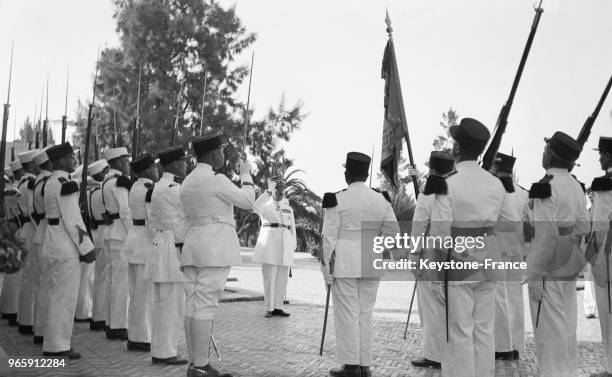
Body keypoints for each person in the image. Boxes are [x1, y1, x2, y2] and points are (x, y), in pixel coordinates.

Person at [432, 118, 520, 377]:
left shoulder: (448, 181)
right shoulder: (495, 183)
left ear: (457, 148)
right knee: (484, 329)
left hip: (458, 258)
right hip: (488, 255)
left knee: (459, 330)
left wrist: (437, 274)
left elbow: (439, 230)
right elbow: (511, 224)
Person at [180, 133, 255, 377]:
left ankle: (195, 364)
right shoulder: (215, 179)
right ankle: (201, 366)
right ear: (213, 155)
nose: (223, 155)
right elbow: (248, 200)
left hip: (194, 243)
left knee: (192, 303)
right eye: (221, 151)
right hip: (214, 246)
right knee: (205, 304)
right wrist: (245, 173)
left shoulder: (188, 181)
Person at [321, 151, 400, 377]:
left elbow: (328, 238)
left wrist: (326, 269)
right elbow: (394, 236)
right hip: (370, 261)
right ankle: (364, 365)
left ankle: (350, 365)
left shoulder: (338, 199)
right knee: (365, 314)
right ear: (366, 174)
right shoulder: (381, 199)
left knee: (347, 313)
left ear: (347, 173)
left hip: (345, 262)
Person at [527, 131, 589, 377]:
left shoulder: (545, 187)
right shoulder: (576, 185)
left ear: (551, 154)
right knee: (566, 327)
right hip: (568, 262)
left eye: (545, 149)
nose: (542, 153)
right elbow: (584, 226)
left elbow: (544, 235)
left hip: (548, 267)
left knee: (548, 331)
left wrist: (535, 274)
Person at [42, 142, 96, 359]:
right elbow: (74, 220)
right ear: (61, 161)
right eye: (71, 157)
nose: (75, 161)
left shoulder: (51, 182)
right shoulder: (65, 184)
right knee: (64, 299)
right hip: (65, 246)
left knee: (56, 296)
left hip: (53, 241)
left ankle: (53, 343)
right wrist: (86, 248)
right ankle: (57, 346)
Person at [409, 151, 455, 370]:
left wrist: (415, 254)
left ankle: (433, 354)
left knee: (430, 304)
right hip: (462, 252)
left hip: (434, 252)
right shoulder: (459, 186)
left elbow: (419, 222)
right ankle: (450, 351)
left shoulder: (430, 190)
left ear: (433, 170)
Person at [146, 146, 189, 365]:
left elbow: (152, 222)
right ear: (173, 165)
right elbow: (186, 218)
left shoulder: (159, 186)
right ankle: (165, 351)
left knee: (163, 302)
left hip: (161, 244)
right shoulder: (174, 188)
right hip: (172, 248)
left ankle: (162, 349)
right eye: (183, 161)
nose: (186, 164)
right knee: (171, 304)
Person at [490, 152, 529, 360]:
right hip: (516, 252)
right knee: (515, 299)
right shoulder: (523, 193)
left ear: (496, 168)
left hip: (497, 249)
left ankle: (502, 345)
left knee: (498, 298)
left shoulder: (496, 190)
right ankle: (517, 344)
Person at [121, 153, 158, 352]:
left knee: (135, 293)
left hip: (134, 240)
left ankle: (135, 334)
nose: (156, 170)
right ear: (145, 171)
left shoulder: (135, 187)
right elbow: (152, 221)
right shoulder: (147, 189)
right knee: (144, 295)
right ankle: (142, 337)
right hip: (144, 242)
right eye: (153, 167)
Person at [586, 136, 612, 377]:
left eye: (603, 153)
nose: (600, 158)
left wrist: (594, 260)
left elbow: (600, 226)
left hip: (608, 256)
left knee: (607, 312)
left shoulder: (605, 185)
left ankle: (610, 367)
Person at [252, 175, 296, 318]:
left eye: (283, 188)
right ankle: (269, 308)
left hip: (285, 244)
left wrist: (293, 246)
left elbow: (292, 228)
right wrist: (268, 192)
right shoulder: (265, 205)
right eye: (278, 188)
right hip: (270, 244)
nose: (281, 191)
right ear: (273, 188)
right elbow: (254, 206)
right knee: (269, 277)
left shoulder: (287, 206)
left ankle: (278, 307)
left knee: (282, 278)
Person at [101, 147, 132, 341]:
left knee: (112, 282)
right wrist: (133, 235)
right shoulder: (120, 181)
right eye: (126, 161)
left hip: (112, 232)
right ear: (118, 162)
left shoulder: (106, 181)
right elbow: (125, 211)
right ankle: (119, 325)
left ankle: (111, 323)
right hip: (121, 234)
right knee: (120, 284)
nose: (128, 164)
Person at [15, 150, 40, 335]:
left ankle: (24, 318)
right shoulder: (30, 184)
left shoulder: (22, 183)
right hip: (32, 231)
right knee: (32, 277)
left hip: (24, 229)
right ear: (31, 165)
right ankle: (28, 320)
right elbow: (33, 211)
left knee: (27, 277)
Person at [32, 148, 53, 345]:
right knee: (49, 285)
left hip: (42, 231)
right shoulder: (48, 183)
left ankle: (40, 329)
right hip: (50, 233)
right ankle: (45, 330)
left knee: (43, 285)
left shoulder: (38, 182)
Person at [0, 159, 25, 326]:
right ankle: (11, 310)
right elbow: (20, 213)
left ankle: (7, 308)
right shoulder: (13, 192)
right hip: (10, 230)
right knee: (13, 273)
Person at [88, 159, 111, 332]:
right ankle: (100, 316)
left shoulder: (91, 191)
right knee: (103, 278)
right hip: (103, 233)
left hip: (96, 235)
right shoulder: (99, 192)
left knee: (99, 277)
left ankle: (98, 314)